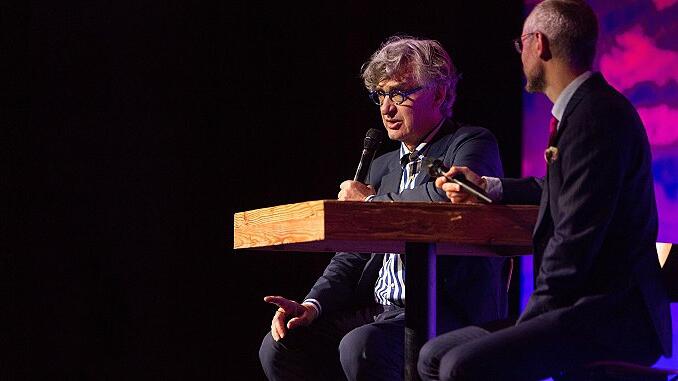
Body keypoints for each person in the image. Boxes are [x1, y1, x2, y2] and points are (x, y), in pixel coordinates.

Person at [418, 1, 672, 380]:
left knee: (460, 365)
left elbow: (575, 240)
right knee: (433, 355)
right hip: (578, 309)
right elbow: (562, 188)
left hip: (608, 317)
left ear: (538, 44)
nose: (520, 57)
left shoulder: (595, 117)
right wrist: (489, 186)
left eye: (521, 45)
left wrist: (531, 319)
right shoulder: (584, 111)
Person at [258, 35, 508, 381]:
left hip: (442, 311)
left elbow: (452, 196)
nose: (387, 108)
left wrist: (371, 205)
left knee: (361, 346)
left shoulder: (470, 143)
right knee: (281, 346)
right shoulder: (384, 165)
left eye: (400, 93)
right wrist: (312, 305)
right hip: (380, 311)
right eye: (381, 94)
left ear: (439, 93)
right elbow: (353, 255)